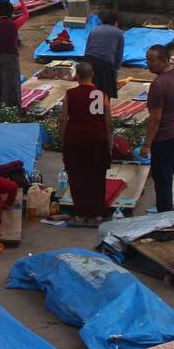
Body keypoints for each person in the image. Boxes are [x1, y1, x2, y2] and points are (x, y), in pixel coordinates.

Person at [139, 44, 174, 212]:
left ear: (164, 61)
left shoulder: (158, 85)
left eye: (152, 60)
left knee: (163, 180)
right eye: (147, 59)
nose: (148, 63)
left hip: (167, 138)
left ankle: (165, 218)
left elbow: (156, 119)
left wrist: (147, 144)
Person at [59, 61, 113, 226]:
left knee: (77, 178)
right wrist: (109, 143)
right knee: (97, 178)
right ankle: (97, 215)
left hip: (75, 140)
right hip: (97, 140)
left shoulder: (70, 94)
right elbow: (108, 122)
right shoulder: (101, 94)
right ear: (93, 75)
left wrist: (62, 141)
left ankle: (81, 215)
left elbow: (63, 120)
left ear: (77, 76)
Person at [0, 0, 24, 109]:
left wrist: (6, 0)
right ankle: (11, 107)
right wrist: (22, 2)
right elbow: (25, 15)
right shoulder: (13, 24)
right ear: (11, 13)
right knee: (11, 84)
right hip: (11, 57)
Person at [83, 9, 125, 98]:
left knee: (89, 87)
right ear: (116, 22)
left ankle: (88, 108)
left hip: (88, 60)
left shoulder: (95, 30)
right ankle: (101, 110)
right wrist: (115, 71)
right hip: (104, 62)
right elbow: (119, 54)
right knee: (104, 91)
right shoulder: (119, 33)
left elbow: (87, 48)